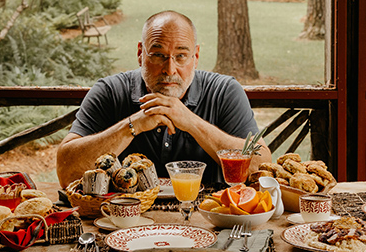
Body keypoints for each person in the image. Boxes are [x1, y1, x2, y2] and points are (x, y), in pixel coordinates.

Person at [57, 10, 271, 187]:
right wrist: (132, 125)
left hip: (208, 217)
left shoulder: (224, 91)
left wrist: (191, 122)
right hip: (124, 218)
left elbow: (260, 167)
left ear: (195, 57)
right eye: (159, 55)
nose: (170, 69)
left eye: (181, 56)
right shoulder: (110, 91)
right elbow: (67, 172)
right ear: (140, 53)